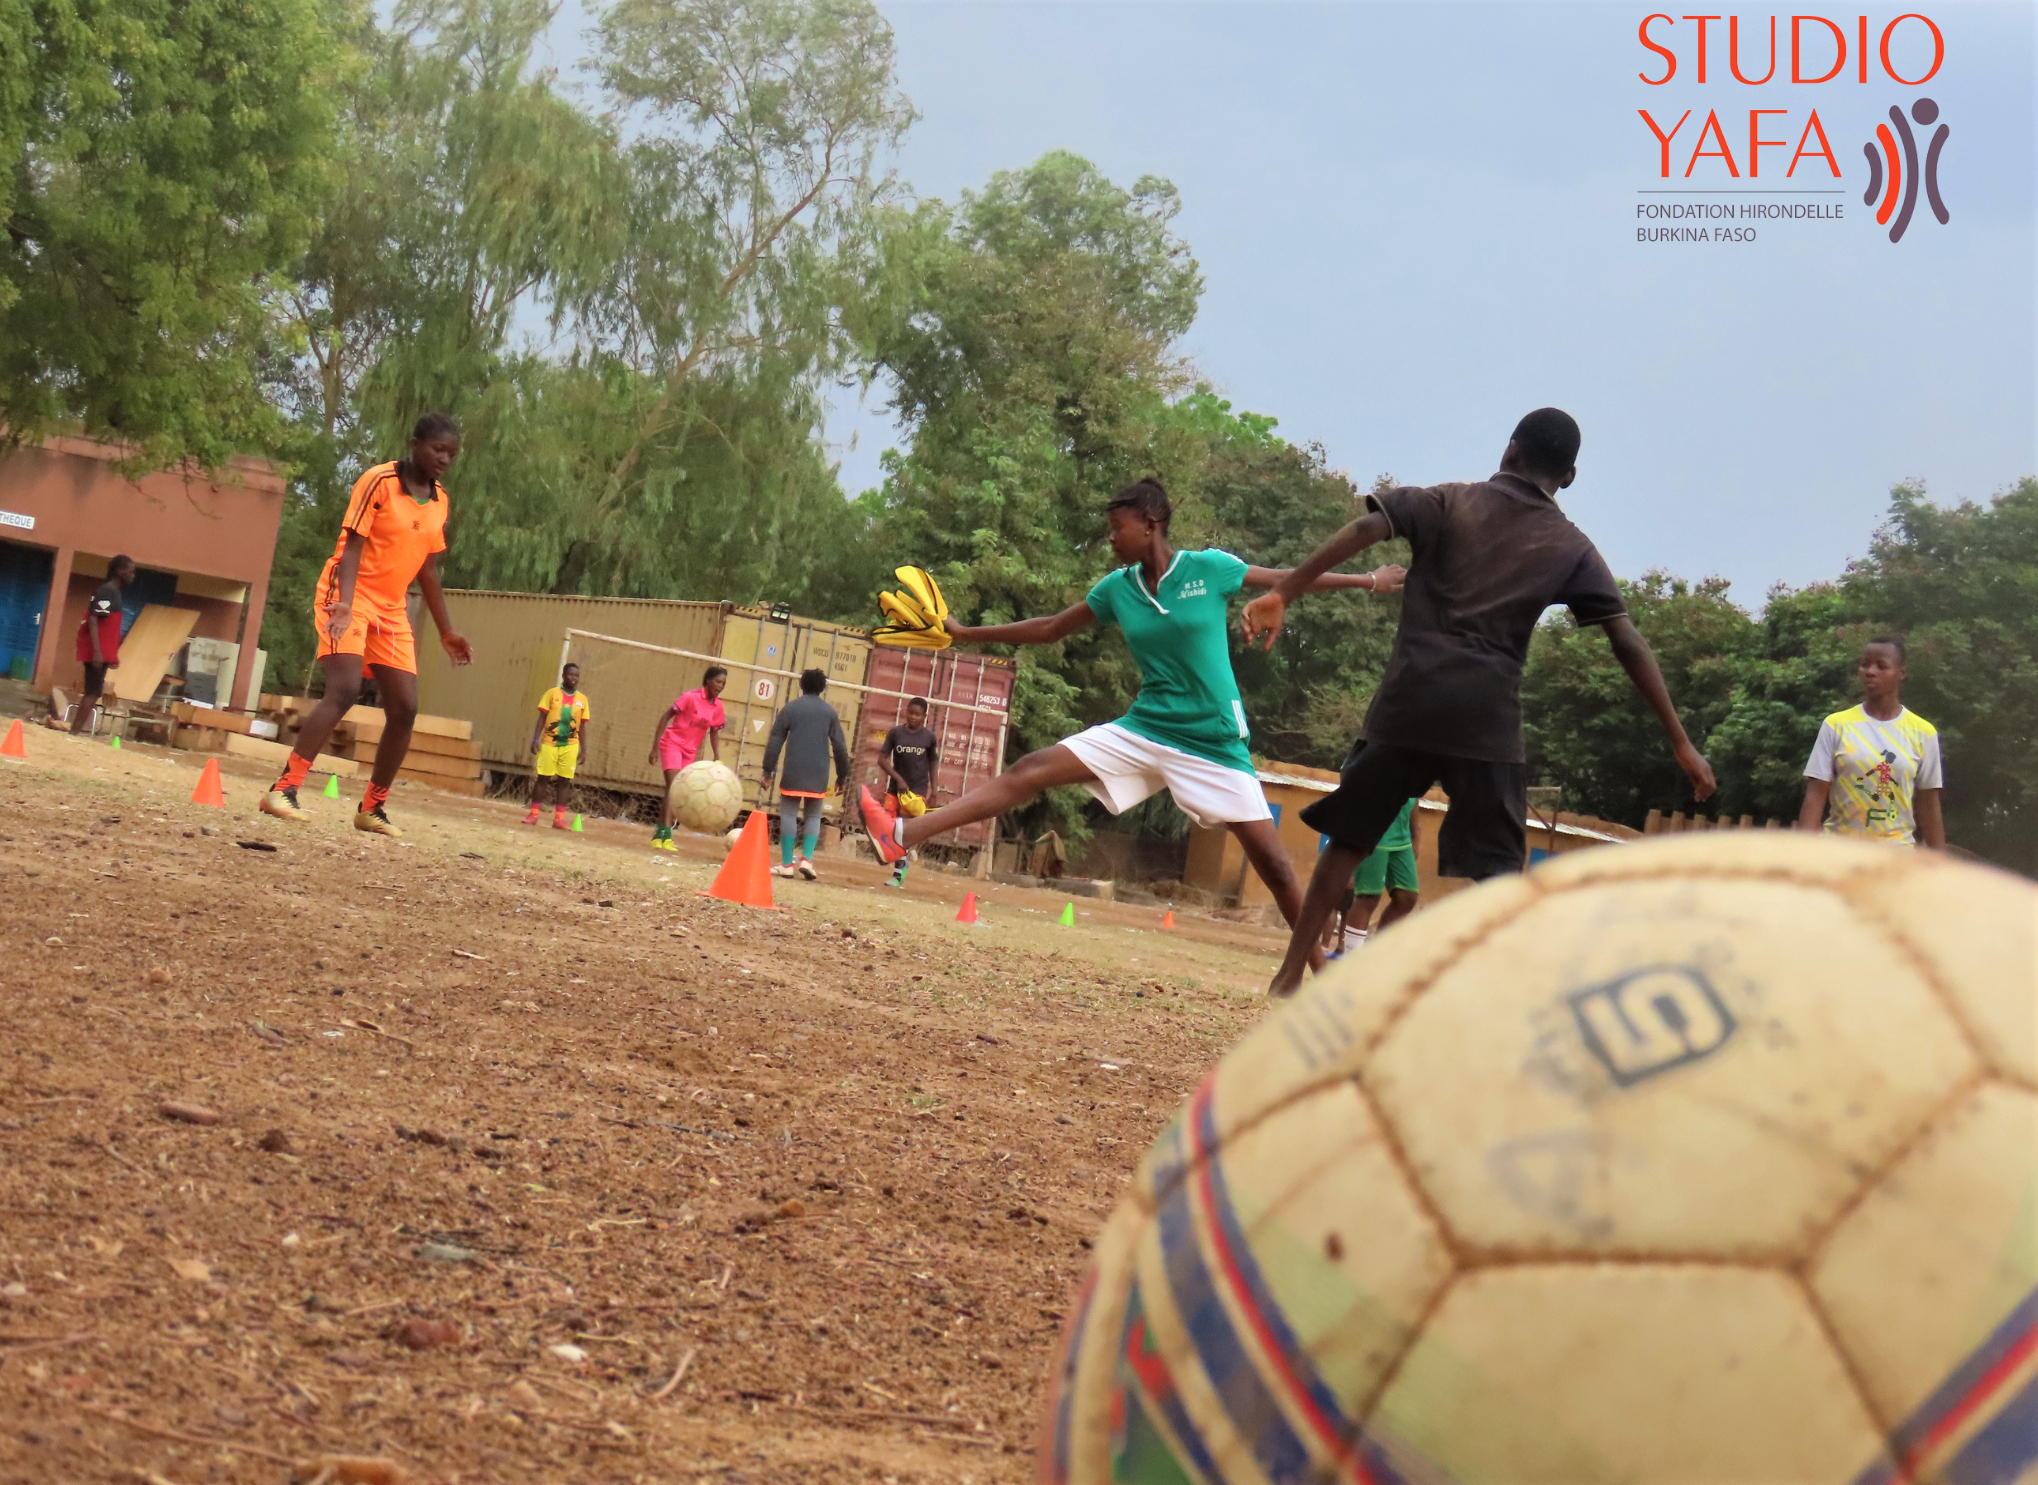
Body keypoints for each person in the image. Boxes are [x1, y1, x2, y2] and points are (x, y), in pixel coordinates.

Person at [1240, 408, 1716, 996]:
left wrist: (1284, 591)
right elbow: (1626, 639)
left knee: (1351, 838)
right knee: (1498, 872)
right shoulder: (1571, 547)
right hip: (1485, 720)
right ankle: (1495, 996)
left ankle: (1290, 975)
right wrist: (1679, 740)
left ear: (1510, 449)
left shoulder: (1448, 502)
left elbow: (1367, 528)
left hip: (1409, 703)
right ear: (1568, 477)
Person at [862, 478, 1404, 948]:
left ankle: (1317, 973)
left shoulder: (1210, 569)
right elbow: (1050, 629)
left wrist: (1368, 581)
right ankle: (904, 834)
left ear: (1150, 525)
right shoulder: (1117, 590)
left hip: (1212, 740)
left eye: (1116, 528)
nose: (1110, 539)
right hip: (1146, 727)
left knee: (1278, 870)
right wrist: (964, 633)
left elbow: (1287, 578)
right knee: (1031, 770)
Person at [259, 413, 473, 836]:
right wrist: (343, 603)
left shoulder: (440, 501)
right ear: (415, 443)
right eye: (438, 449)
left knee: (405, 707)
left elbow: (428, 569)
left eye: (452, 453)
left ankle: (372, 809)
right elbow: (352, 546)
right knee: (344, 689)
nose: (445, 459)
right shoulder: (379, 481)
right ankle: (283, 790)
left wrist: (446, 630)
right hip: (349, 595)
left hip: (391, 608)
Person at [1797, 636, 1945, 847]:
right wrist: (1801, 853)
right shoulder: (1837, 725)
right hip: (1838, 851)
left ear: (1902, 673)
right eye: (1865, 664)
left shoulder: (1922, 733)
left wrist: (1938, 859)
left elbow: (1928, 803)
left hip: (1895, 856)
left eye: (1881, 666)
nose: (1870, 671)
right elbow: (1816, 794)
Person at [763, 669, 852, 880]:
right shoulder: (829, 713)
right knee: (813, 815)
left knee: (788, 814)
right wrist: (842, 776)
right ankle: (806, 860)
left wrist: (767, 770)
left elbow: (775, 740)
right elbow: (840, 747)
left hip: (793, 769)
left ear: (801, 685)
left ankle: (786, 864)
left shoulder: (790, 708)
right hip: (819, 772)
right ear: (823, 687)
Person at [647, 666, 728, 851]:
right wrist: (654, 748)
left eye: (723, 683)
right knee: (675, 788)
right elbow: (666, 716)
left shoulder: (718, 706)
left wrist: (717, 757)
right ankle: (667, 836)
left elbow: (714, 732)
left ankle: (659, 835)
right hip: (672, 744)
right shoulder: (690, 697)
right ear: (708, 680)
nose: (720, 686)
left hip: (690, 751)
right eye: (718, 682)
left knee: (677, 792)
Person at [57, 554, 135, 733]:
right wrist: (97, 652)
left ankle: (75, 731)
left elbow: (109, 627)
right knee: (92, 693)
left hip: (104, 652)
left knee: (94, 692)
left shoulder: (115, 592)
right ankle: (74, 733)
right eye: (130, 571)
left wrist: (112, 655)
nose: (133, 575)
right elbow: (93, 619)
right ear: (120, 571)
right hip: (96, 653)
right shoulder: (106, 591)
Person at [877, 697, 938, 887]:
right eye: (910, 713)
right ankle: (903, 861)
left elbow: (933, 763)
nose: (913, 717)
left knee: (902, 830)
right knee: (888, 828)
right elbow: (882, 759)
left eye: (917, 714)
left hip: (916, 791)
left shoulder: (929, 737)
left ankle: (898, 874)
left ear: (924, 716)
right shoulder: (896, 733)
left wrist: (934, 790)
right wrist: (898, 779)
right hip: (896, 789)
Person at [523, 663, 591, 829]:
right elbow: (542, 718)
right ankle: (533, 814)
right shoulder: (551, 694)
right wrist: (535, 740)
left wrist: (583, 749)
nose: (574, 678)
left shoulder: (582, 700)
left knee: (564, 782)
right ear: (563, 676)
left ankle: (559, 819)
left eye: (577, 676)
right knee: (543, 779)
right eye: (571, 674)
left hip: (570, 745)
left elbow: (582, 726)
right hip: (549, 743)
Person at [1348, 797, 1422, 941]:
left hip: (1402, 836)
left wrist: (1416, 835)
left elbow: (1415, 792)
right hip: (1374, 829)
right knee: (1368, 897)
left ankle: (1379, 947)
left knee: (1407, 896)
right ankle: (1353, 951)